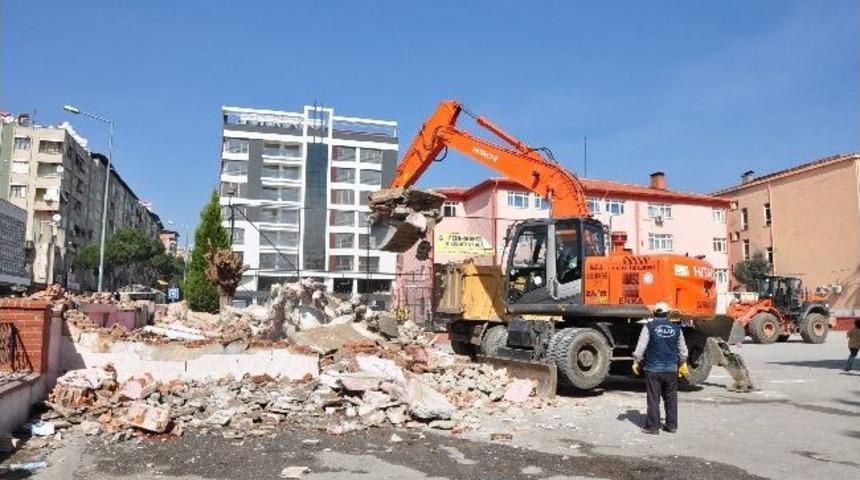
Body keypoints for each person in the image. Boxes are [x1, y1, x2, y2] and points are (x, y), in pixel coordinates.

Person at [632, 302, 689, 434]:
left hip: (653, 369)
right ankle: (671, 425)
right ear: (667, 313)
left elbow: (641, 347)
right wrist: (682, 363)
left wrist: (636, 361)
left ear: (654, 313)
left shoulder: (649, 327)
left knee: (653, 398)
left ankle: (653, 427)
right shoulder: (676, 328)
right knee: (671, 398)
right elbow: (683, 350)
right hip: (671, 369)